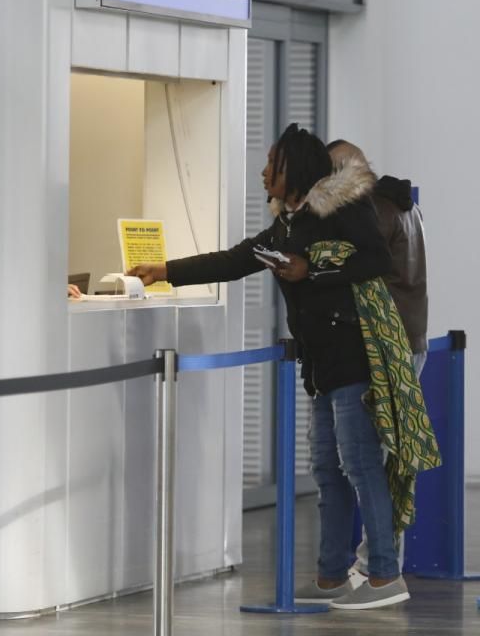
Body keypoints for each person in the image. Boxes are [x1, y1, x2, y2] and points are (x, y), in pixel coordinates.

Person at [128, 123, 414, 610]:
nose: (263, 174)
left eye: (271, 166)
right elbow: (238, 259)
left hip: (353, 355)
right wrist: (167, 272)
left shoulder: (343, 208)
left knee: (361, 463)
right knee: (327, 467)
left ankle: (386, 576)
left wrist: (313, 269)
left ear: (294, 170)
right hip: (320, 362)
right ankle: (332, 576)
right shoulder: (289, 222)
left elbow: (375, 258)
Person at [327, 140, 429, 577]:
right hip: (412, 342)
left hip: (387, 347)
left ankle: (377, 567)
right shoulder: (404, 205)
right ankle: (381, 563)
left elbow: (352, 273)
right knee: (386, 460)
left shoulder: (373, 214)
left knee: (370, 462)